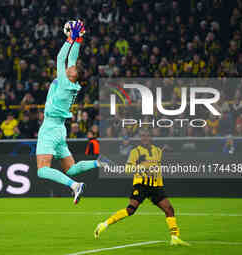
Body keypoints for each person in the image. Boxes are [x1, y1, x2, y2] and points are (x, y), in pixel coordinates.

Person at [36, 21, 107, 205]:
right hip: (60, 130)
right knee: (71, 168)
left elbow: (61, 58)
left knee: (42, 170)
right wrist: (79, 39)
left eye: (72, 68)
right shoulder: (73, 84)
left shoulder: (65, 81)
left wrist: (69, 39)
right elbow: (72, 58)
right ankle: (98, 163)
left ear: (73, 75)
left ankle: (74, 186)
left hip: (51, 128)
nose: (70, 66)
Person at [94, 130, 189, 246]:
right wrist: (140, 167)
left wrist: (166, 150)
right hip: (141, 185)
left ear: (151, 138)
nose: (145, 138)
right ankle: (104, 224)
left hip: (155, 185)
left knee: (169, 209)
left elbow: (157, 160)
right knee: (130, 210)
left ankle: (174, 238)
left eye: (147, 136)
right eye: (143, 136)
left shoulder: (157, 151)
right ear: (140, 138)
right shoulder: (136, 152)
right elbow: (128, 168)